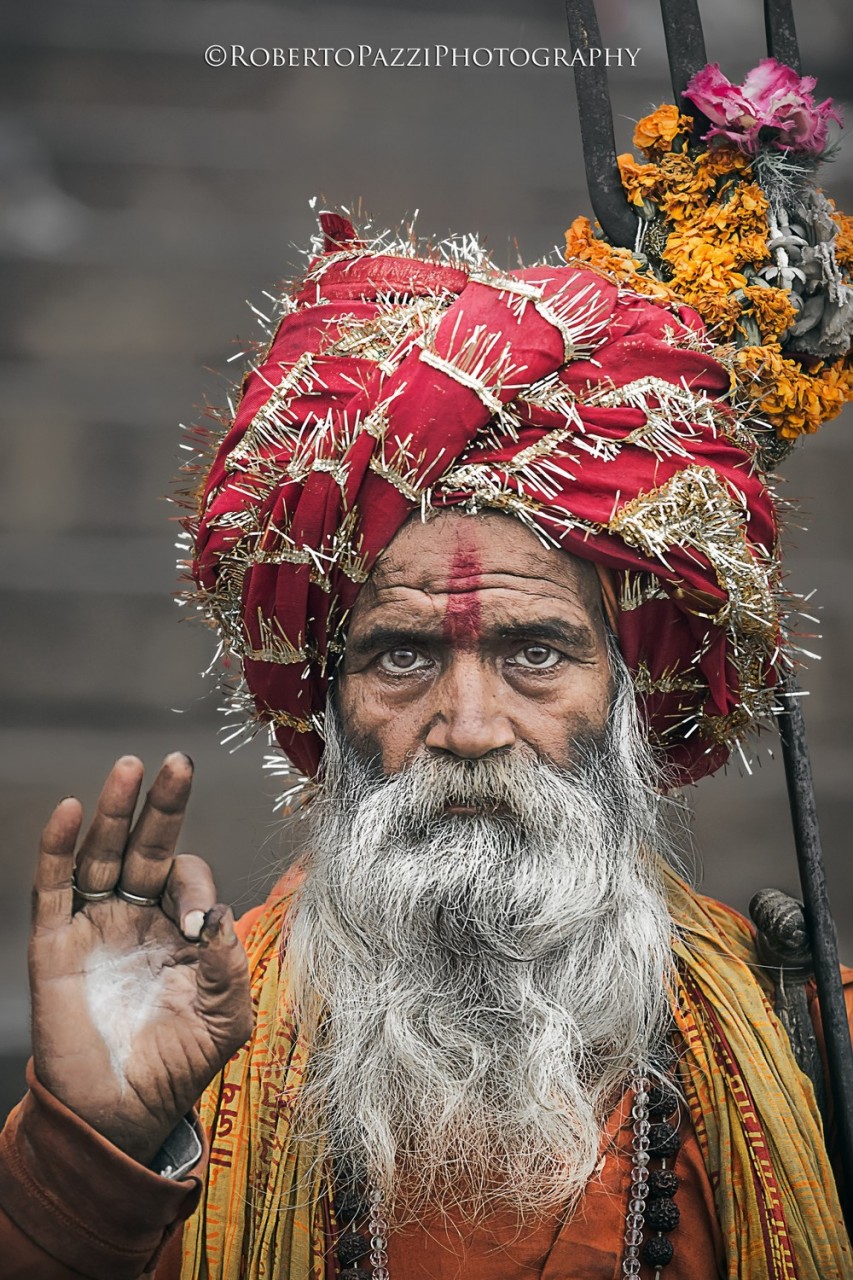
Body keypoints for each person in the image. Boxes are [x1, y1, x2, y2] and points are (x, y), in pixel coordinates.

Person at [1, 208, 852, 1280]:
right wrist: (96, 1153)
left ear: (629, 700)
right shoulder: (199, 1047)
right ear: (331, 703)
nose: (469, 725)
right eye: (401, 657)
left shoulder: (807, 1047)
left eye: (536, 653)